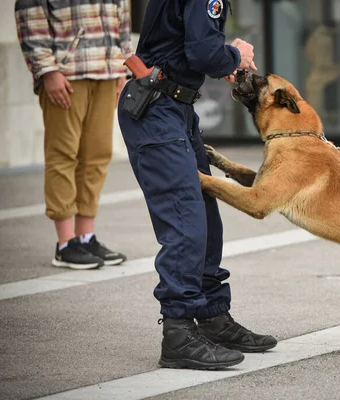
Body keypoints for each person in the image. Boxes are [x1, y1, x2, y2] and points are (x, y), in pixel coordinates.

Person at [117, 0, 277, 370]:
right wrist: (234, 53)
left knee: (204, 217)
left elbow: (188, 47)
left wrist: (224, 57)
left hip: (175, 107)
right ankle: (178, 334)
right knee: (185, 221)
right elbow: (204, 52)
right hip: (158, 109)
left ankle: (212, 318)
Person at [15, 0, 129, 270]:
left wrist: (123, 66)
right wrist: (47, 70)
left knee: (97, 155)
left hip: (107, 71)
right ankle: (65, 243)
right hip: (66, 73)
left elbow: (122, 18)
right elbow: (29, 14)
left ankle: (85, 237)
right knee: (63, 154)